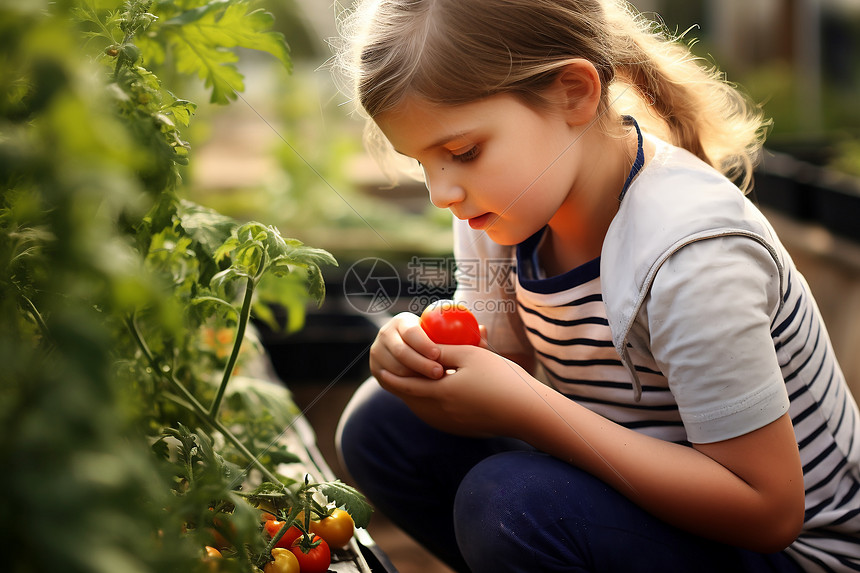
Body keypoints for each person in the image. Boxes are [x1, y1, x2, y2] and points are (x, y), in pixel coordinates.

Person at [331, 1, 860, 571]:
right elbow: (497, 359)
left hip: (798, 555)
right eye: (422, 163)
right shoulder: (504, 209)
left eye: (463, 153)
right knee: (383, 424)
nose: (442, 193)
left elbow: (768, 512)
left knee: (514, 503)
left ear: (574, 94)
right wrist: (427, 356)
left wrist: (531, 409)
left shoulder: (691, 252)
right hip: (650, 502)